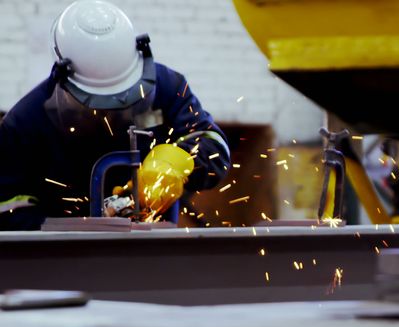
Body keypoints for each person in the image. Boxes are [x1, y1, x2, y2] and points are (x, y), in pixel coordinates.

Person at [0, 0, 230, 230]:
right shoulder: (25, 123)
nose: (112, 114)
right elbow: (6, 209)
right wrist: (69, 230)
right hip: (63, 257)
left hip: (155, 246)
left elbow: (213, 145)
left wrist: (178, 162)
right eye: (99, 105)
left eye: (125, 100)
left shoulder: (169, 87)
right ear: (64, 76)